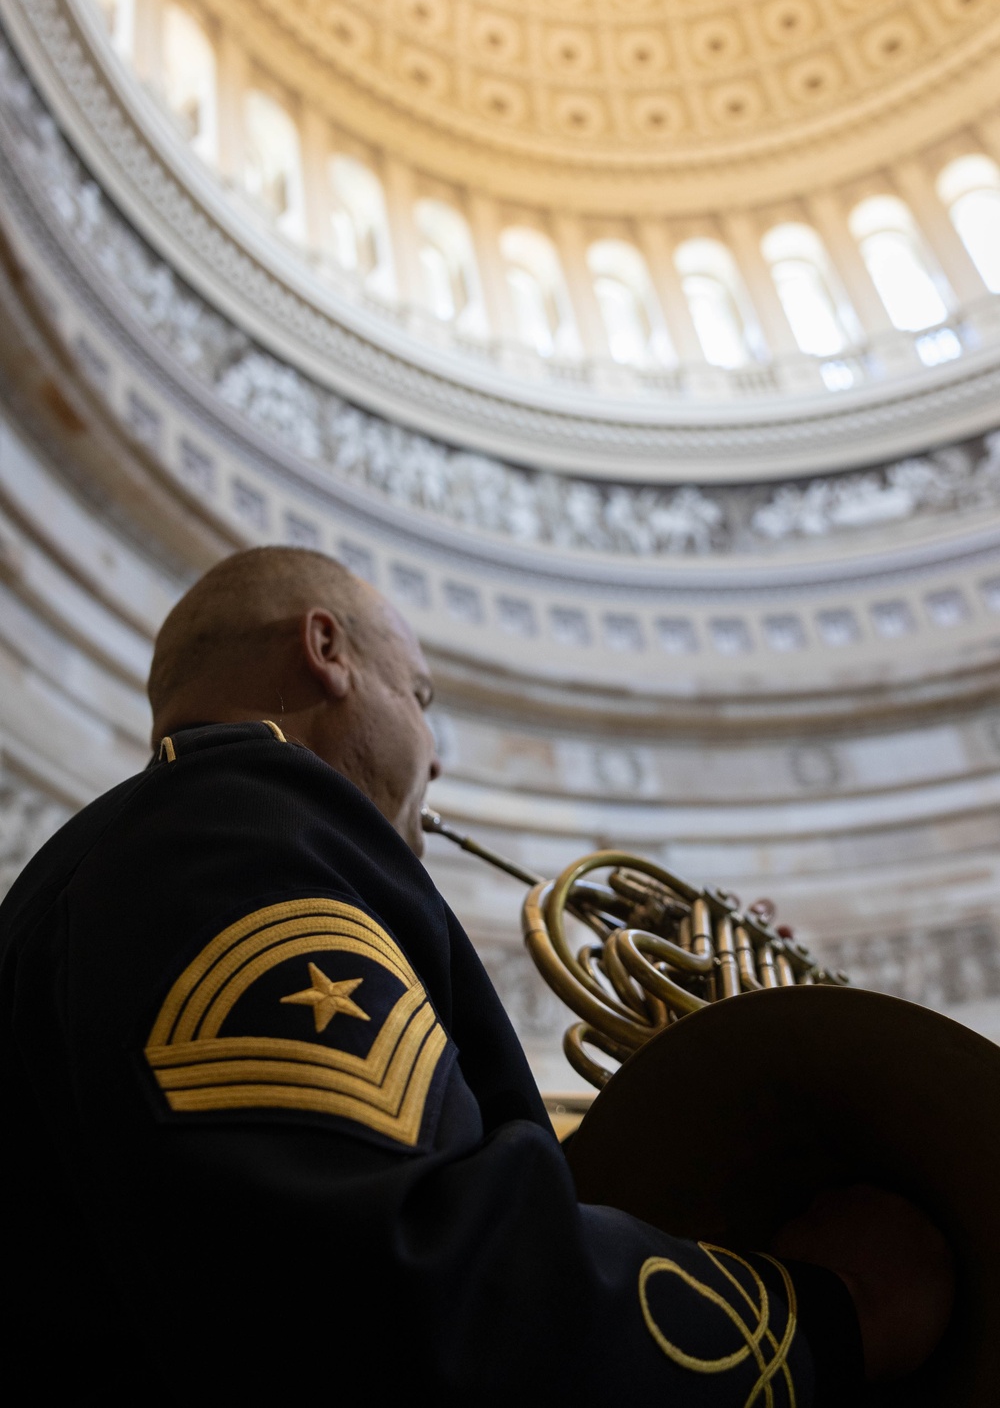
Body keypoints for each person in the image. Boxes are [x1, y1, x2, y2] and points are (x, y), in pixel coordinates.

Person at [0, 547, 953, 1402]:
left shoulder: (159, 850)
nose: (438, 761)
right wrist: (828, 1315)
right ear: (327, 650)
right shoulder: (235, 824)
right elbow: (417, 1294)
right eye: (419, 699)